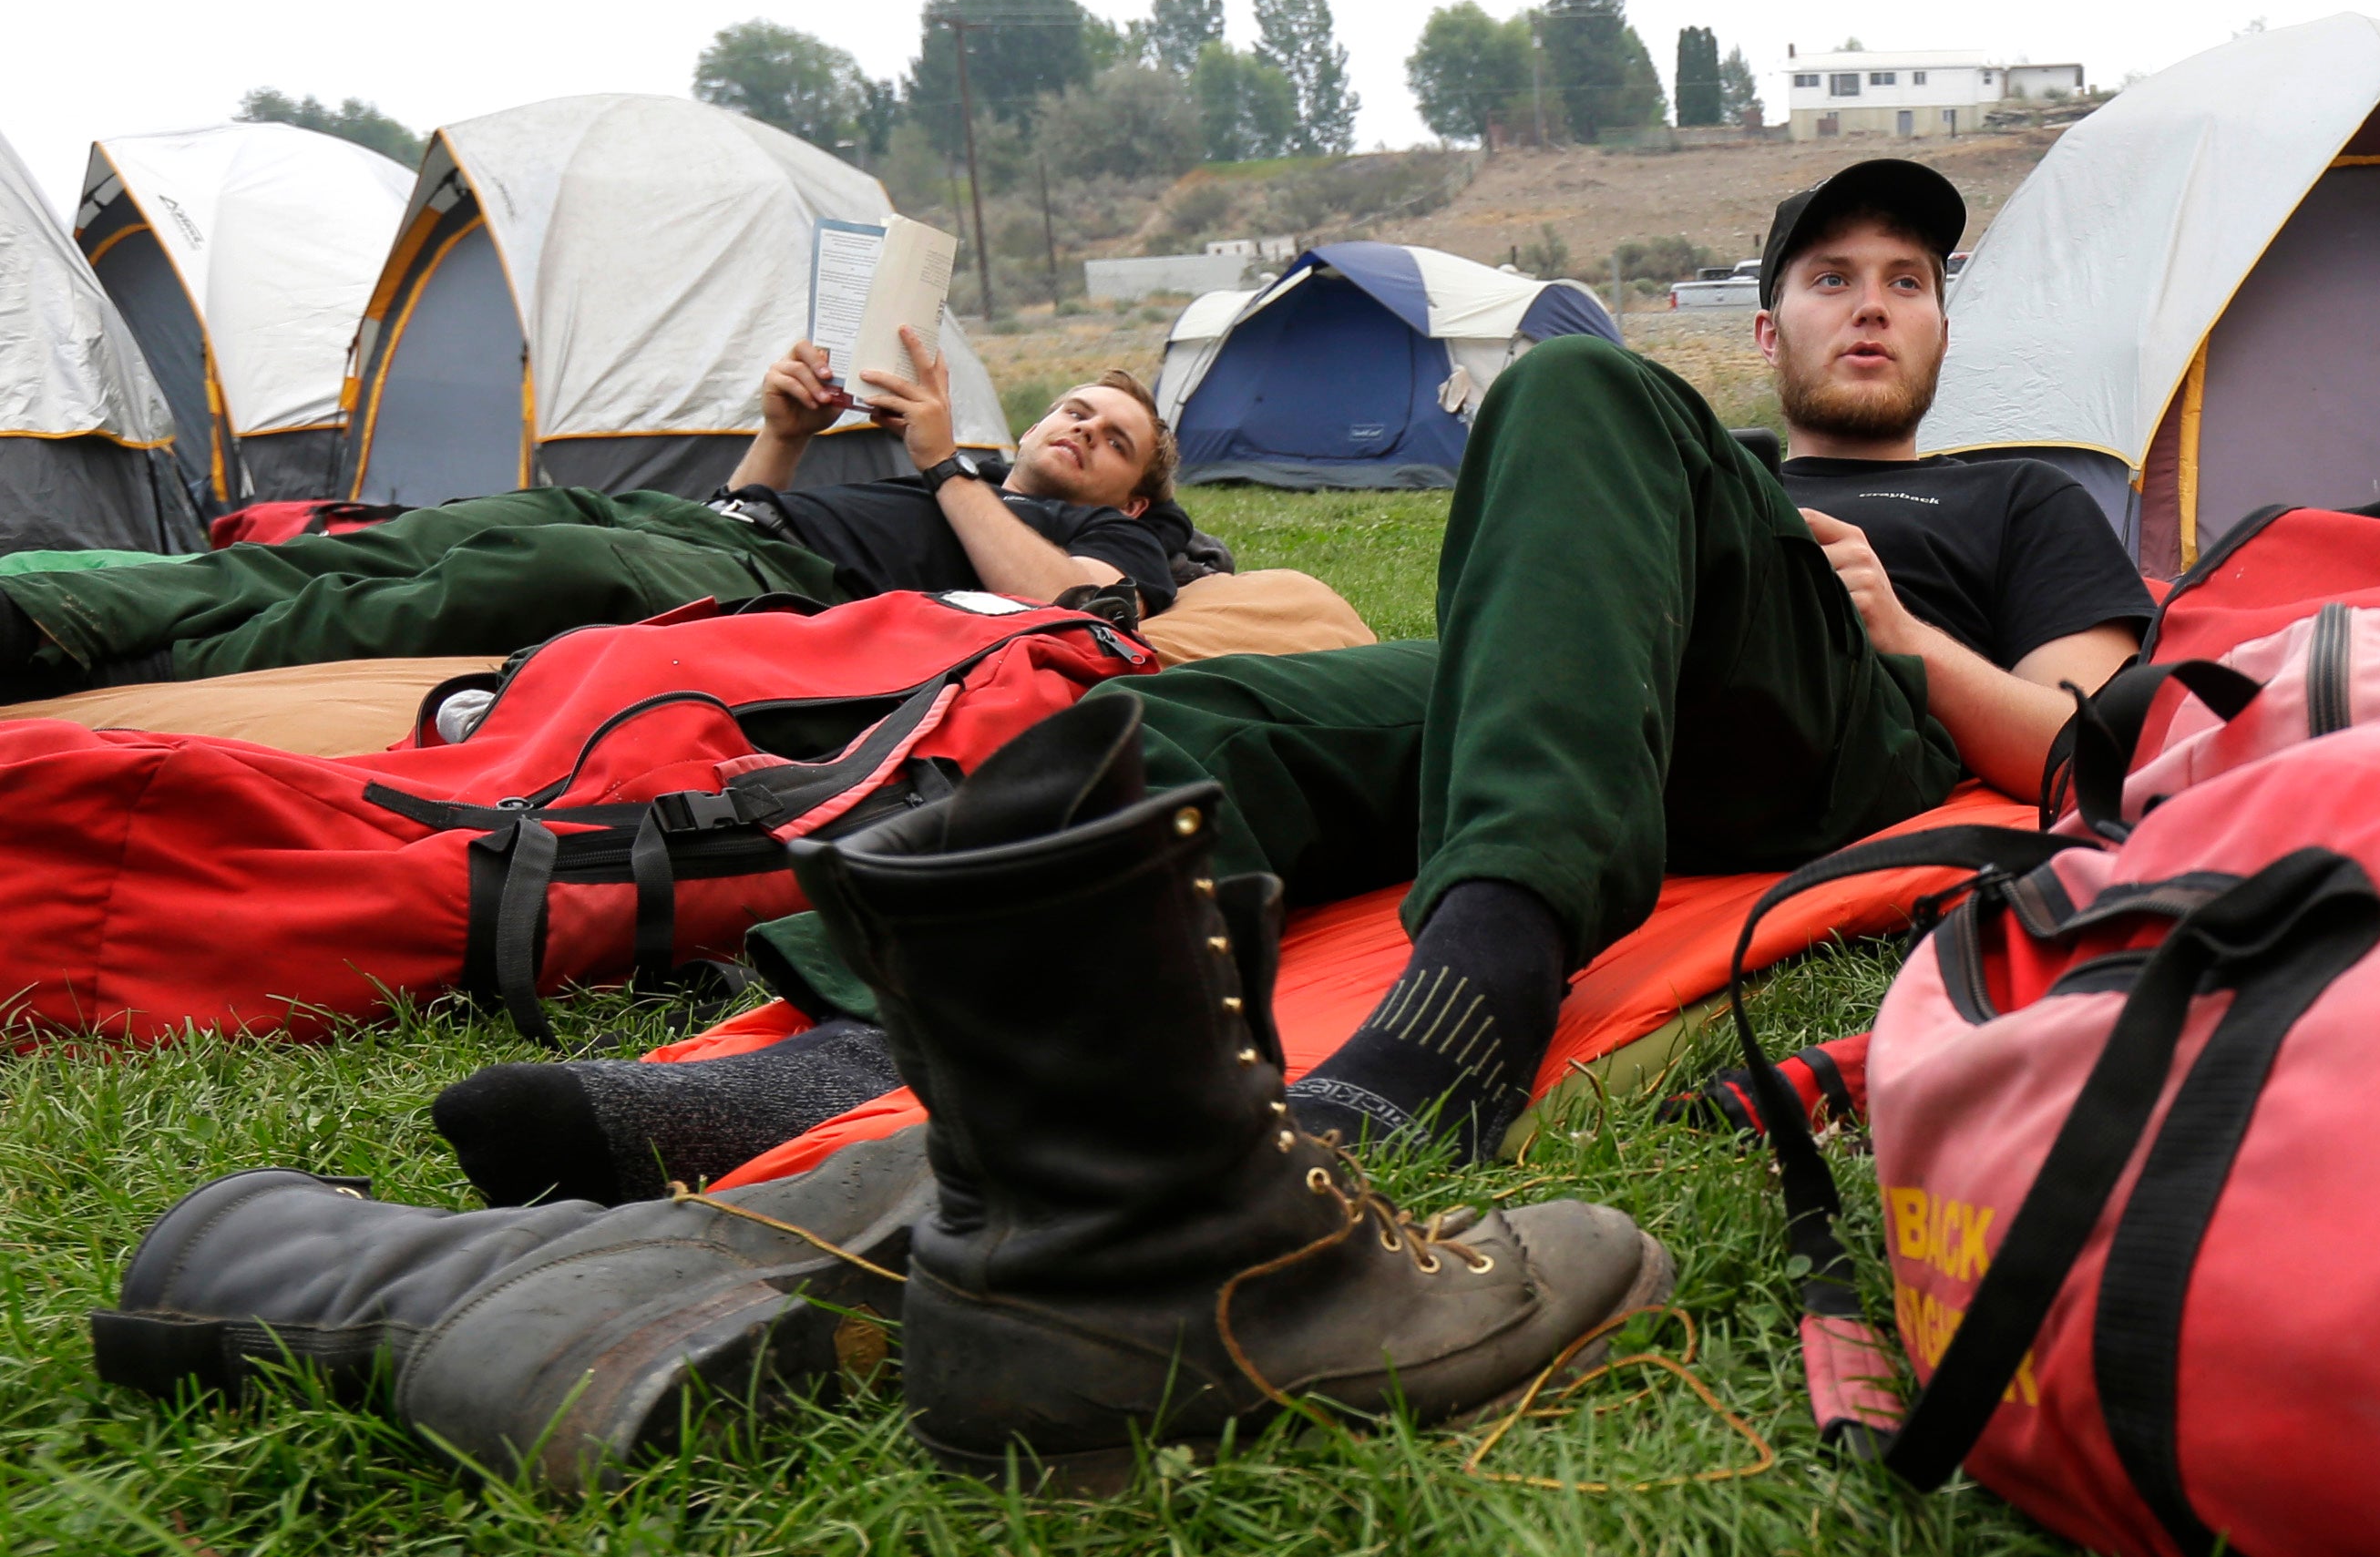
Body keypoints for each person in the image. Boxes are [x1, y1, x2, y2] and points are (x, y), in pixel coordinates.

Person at [452, 159, 2151, 1204]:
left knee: (1573, 392)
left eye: (1906, 286)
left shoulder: (2008, 500)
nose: (1870, 310)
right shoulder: (1702, 463)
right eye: (1830, 281)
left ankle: (1479, 986)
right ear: (1769, 328)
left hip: (1823, 720)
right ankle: (866, 1039)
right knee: (1218, 714)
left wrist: (1906, 636)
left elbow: (2083, 748)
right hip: (1612, 658)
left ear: (1944, 333)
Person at [0, 338, 1186, 704]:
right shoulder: (971, 468)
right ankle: (51, 605)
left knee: (499, 573)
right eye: (1072, 410)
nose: (1078, 428)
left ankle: (126, 653)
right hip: (680, 520)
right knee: (391, 543)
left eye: (1110, 438)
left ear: (1134, 493)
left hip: (755, 581)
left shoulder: (1121, 542)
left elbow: (1065, 603)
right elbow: (746, 501)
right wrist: (779, 429)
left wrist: (941, 466)